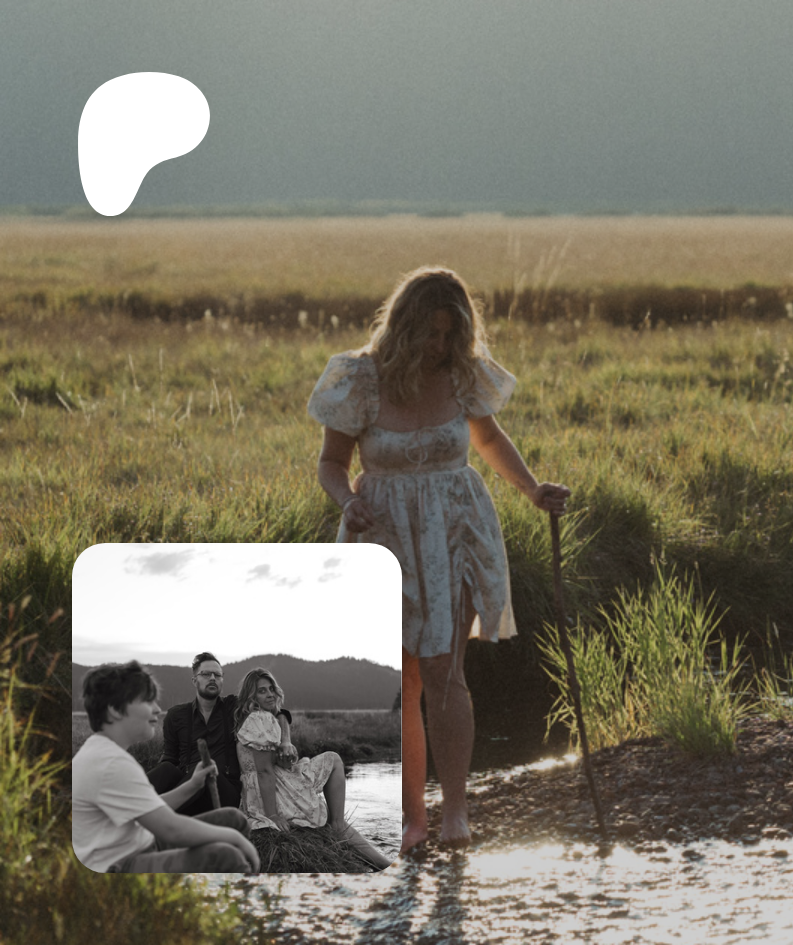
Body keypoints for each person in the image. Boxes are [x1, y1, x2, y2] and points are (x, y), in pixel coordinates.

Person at [309, 266, 569, 855]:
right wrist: (347, 501)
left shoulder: (462, 375)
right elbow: (331, 463)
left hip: (457, 533)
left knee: (446, 675)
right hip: (384, 536)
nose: (440, 345)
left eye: (452, 334)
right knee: (402, 682)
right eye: (431, 332)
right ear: (404, 326)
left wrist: (533, 491)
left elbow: (489, 439)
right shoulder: (360, 379)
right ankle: (413, 819)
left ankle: (456, 811)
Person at [73, 661, 261, 873]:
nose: (157, 708)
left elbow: (151, 806)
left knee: (233, 818)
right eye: (147, 700)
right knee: (225, 856)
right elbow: (171, 829)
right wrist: (235, 838)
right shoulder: (111, 763)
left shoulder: (104, 752)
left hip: (140, 841)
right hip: (120, 863)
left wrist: (193, 784)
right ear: (115, 710)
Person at [234, 668, 391, 870]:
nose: (270, 694)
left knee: (328, 761)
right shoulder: (260, 719)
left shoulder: (253, 719)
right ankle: (339, 825)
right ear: (251, 697)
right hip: (274, 792)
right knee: (334, 759)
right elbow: (264, 772)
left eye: (271, 688)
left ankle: (375, 859)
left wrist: (285, 752)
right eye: (262, 691)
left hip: (256, 793)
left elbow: (268, 764)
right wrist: (272, 816)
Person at [147, 651, 292, 815]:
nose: (212, 678)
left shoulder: (233, 707)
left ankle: (156, 815)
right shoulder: (175, 715)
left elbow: (281, 713)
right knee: (166, 768)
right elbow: (169, 757)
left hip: (225, 791)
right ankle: (130, 803)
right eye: (206, 674)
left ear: (222, 680)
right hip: (188, 787)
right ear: (194, 680)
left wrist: (286, 741)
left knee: (206, 770)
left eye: (217, 675)